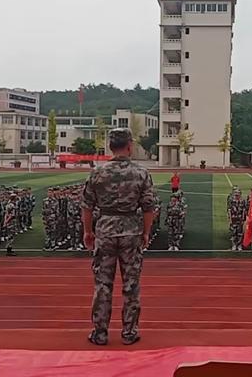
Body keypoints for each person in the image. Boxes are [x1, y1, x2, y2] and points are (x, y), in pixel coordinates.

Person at [81, 128, 155, 346]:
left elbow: (87, 205)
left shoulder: (97, 173)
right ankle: (129, 332)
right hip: (131, 230)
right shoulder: (141, 173)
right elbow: (148, 206)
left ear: (110, 146)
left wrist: (88, 231)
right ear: (129, 145)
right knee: (131, 284)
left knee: (103, 283)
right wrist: (146, 231)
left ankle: (100, 333)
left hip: (105, 229)